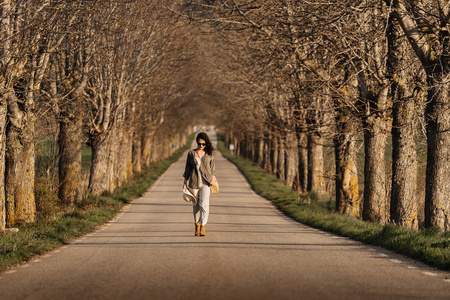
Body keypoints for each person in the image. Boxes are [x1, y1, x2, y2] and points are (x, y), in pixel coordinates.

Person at [183, 132, 216, 236]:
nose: (201, 146)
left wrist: (213, 179)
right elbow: (187, 169)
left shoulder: (209, 154)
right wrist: (185, 182)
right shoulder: (191, 153)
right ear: (196, 142)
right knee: (196, 206)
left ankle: (203, 226)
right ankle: (197, 226)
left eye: (203, 144)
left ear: (206, 144)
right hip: (194, 182)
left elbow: (212, 169)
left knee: (204, 204)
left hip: (206, 183)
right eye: (199, 144)